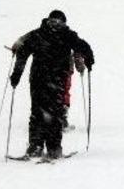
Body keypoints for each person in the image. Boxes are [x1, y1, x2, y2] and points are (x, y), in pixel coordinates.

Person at [10, 10, 94, 159]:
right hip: (55, 79)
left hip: (39, 78)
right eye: (54, 22)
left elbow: (22, 52)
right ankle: (53, 148)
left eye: (57, 22)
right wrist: (89, 60)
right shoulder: (66, 34)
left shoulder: (38, 34)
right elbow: (83, 47)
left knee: (38, 113)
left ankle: (36, 147)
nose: (55, 25)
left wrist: (16, 75)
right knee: (54, 113)